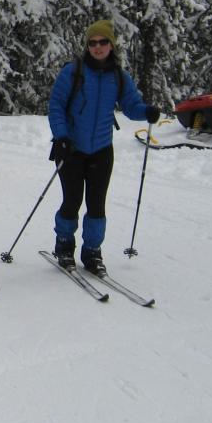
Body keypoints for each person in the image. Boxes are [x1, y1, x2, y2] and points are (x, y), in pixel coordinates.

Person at [48, 19, 160, 274]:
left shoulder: (118, 77)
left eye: (102, 42)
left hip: (101, 149)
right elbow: (56, 106)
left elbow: (131, 107)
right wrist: (62, 136)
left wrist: (147, 112)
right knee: (72, 200)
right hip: (71, 149)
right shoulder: (73, 72)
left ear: (111, 45)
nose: (97, 47)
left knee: (97, 204)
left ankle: (92, 251)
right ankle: (64, 245)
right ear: (87, 46)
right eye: (92, 42)